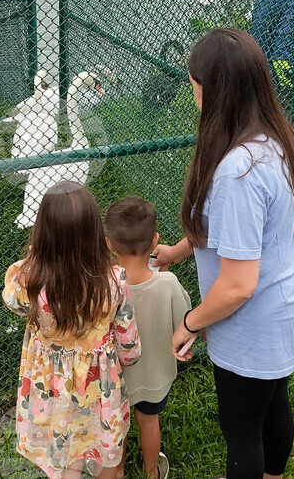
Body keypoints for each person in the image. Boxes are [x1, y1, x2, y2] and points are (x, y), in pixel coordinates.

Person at [153, 28, 294, 479]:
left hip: (259, 323)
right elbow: (235, 229)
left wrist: (190, 323)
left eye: (193, 80)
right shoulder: (275, 137)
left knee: (242, 426)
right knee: (273, 401)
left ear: (211, 89)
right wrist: (178, 251)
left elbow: (238, 285)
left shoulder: (237, 171)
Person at [3, 180, 141, 479]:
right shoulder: (115, 280)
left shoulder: (30, 283)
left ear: (43, 233)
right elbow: (129, 345)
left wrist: (34, 258)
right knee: (100, 447)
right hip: (99, 385)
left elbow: (10, 298)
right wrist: (124, 362)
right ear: (94, 231)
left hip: (50, 386)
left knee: (64, 457)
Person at [104, 196, 191, 479]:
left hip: (114, 381)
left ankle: (117, 468)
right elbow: (187, 322)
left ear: (109, 244)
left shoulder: (104, 288)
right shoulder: (168, 284)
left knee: (119, 425)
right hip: (156, 377)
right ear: (155, 241)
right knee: (149, 420)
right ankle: (152, 472)